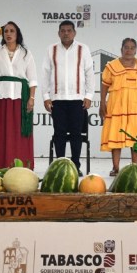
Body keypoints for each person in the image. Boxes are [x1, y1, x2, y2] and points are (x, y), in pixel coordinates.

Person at [42, 21, 94, 174]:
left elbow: (89, 72)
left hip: (77, 99)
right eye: (63, 30)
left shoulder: (83, 49)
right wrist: (46, 97)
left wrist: (89, 95)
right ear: (58, 33)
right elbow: (45, 74)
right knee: (59, 134)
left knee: (76, 134)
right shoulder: (51, 49)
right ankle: (60, 167)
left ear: (74, 32)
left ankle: (75, 167)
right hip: (57, 99)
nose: (66, 33)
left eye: (69, 30)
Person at [0, 21, 37, 169]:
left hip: (21, 98)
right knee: (0, 132)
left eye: (12, 31)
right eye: (6, 31)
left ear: (17, 34)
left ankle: (22, 167)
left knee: (19, 134)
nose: (8, 34)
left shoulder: (26, 54)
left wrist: (32, 98)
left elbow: (33, 79)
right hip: (1, 98)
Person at [99, 38, 137, 175]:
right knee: (116, 135)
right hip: (117, 103)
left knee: (136, 137)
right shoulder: (111, 66)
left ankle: (135, 167)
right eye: (126, 47)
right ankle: (115, 167)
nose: (129, 50)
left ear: (136, 50)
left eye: (132, 47)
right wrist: (102, 102)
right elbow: (105, 85)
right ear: (121, 49)